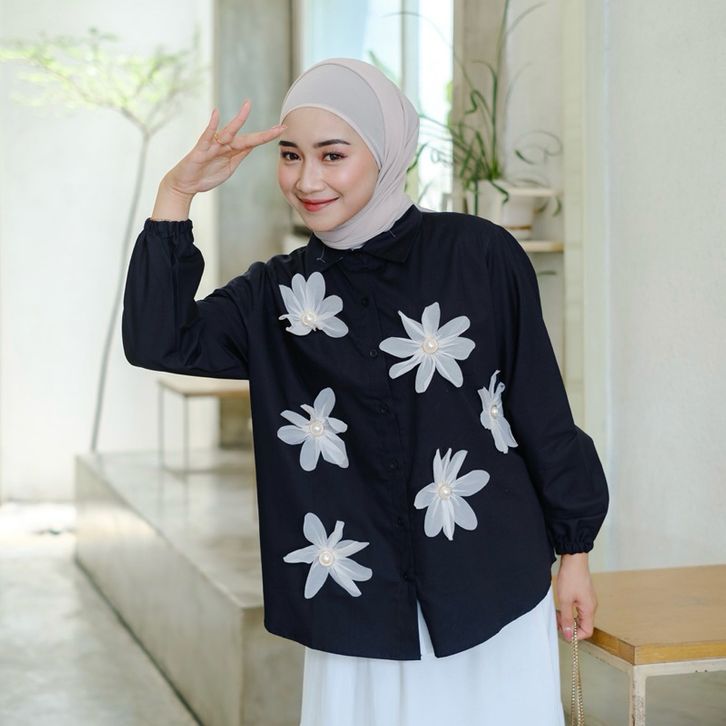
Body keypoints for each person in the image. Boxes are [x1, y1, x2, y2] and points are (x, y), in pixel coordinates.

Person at [122, 57, 609, 725]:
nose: (307, 179)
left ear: (385, 151)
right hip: (358, 610)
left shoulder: (479, 255)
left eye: (333, 154)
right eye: (290, 156)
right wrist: (177, 193)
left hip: (490, 586)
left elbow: (540, 410)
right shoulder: (277, 297)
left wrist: (575, 553)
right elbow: (157, 339)